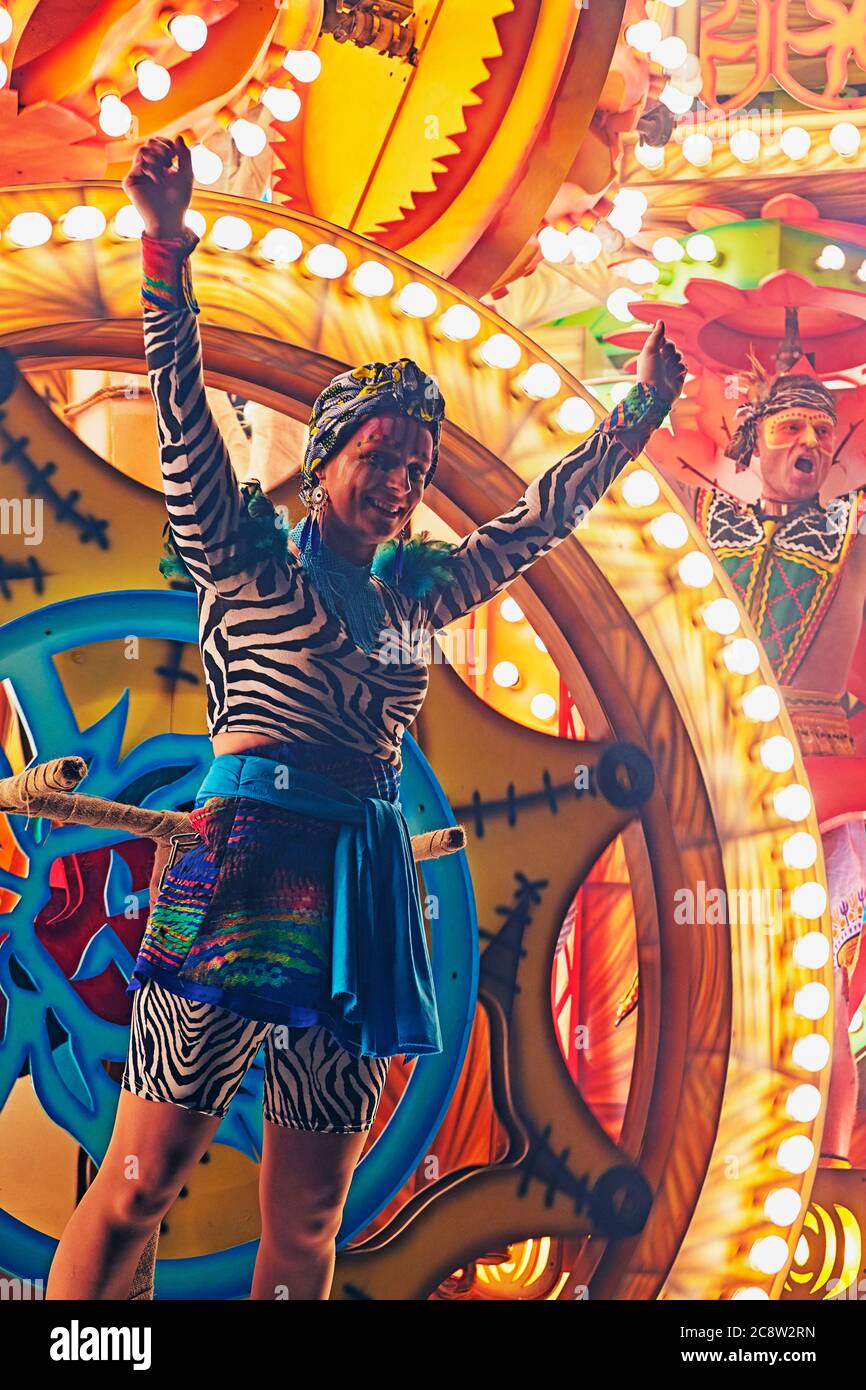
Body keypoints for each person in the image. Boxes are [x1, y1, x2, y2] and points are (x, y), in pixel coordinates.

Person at [46, 135, 685, 1301]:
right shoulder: (241, 555)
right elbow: (183, 421)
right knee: (142, 1176)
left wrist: (631, 422)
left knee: (311, 1212)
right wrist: (167, 248)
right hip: (246, 861)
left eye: (419, 462)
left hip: (364, 879)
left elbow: (536, 523)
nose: (402, 477)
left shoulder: (418, 588)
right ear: (330, 453)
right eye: (382, 454)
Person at [625, 361, 864, 1167]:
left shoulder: (855, 535)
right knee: (705, 968)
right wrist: (647, 395)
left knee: (804, 974)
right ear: (752, 440)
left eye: (823, 431)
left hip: (819, 785)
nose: (811, 441)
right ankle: (692, 1158)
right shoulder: (698, 523)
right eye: (792, 426)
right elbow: (629, 476)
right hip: (713, 772)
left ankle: (819, 1173)